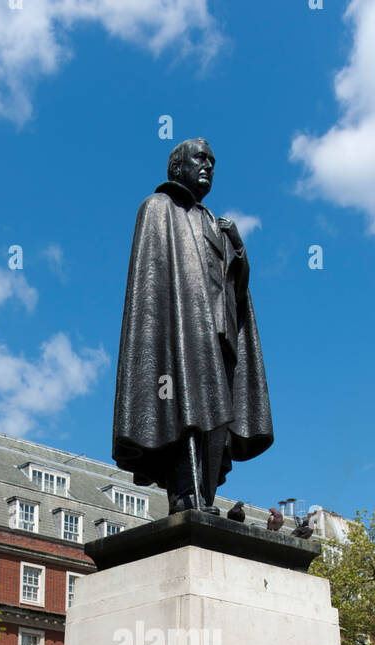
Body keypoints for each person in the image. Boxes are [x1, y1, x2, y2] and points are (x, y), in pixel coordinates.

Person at [112, 138, 274, 514]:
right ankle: (184, 494)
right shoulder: (158, 208)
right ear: (177, 167)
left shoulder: (213, 223)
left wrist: (237, 250)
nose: (208, 166)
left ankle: (205, 496)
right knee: (181, 412)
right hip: (180, 334)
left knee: (219, 418)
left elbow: (236, 288)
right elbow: (152, 286)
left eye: (213, 162)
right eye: (200, 158)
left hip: (220, 336)